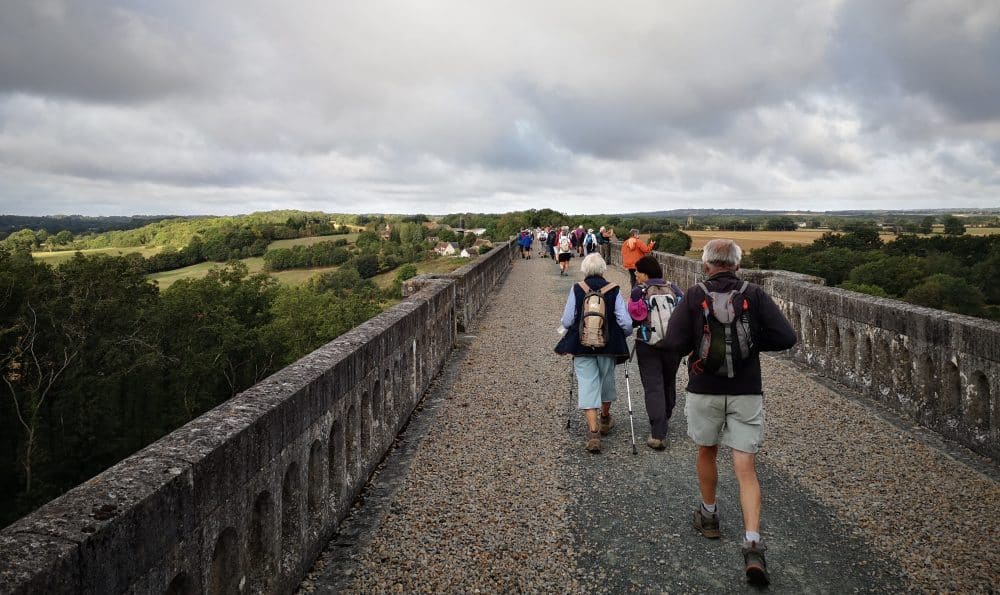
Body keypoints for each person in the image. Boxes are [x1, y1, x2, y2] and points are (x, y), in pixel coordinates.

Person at [663, 239, 796, 587]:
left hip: (704, 388)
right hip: (746, 390)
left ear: (706, 265)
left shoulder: (694, 295)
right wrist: (751, 346)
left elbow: (674, 344)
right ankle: (752, 543)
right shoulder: (756, 294)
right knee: (746, 466)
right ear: (738, 265)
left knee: (707, 451)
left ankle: (709, 516)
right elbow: (786, 336)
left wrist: (697, 347)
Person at [555, 253, 632, 452]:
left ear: (584, 270)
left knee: (588, 384)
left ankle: (593, 432)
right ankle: (605, 419)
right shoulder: (613, 289)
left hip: (582, 345)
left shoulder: (577, 289)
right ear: (603, 269)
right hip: (608, 345)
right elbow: (625, 322)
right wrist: (623, 335)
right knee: (606, 381)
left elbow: (567, 320)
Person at [626, 256, 683, 450]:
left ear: (645, 273)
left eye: (638, 272)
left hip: (648, 343)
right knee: (668, 381)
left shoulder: (638, 291)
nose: (636, 274)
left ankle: (658, 433)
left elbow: (635, 317)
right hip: (673, 344)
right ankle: (665, 415)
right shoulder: (674, 288)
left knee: (653, 385)